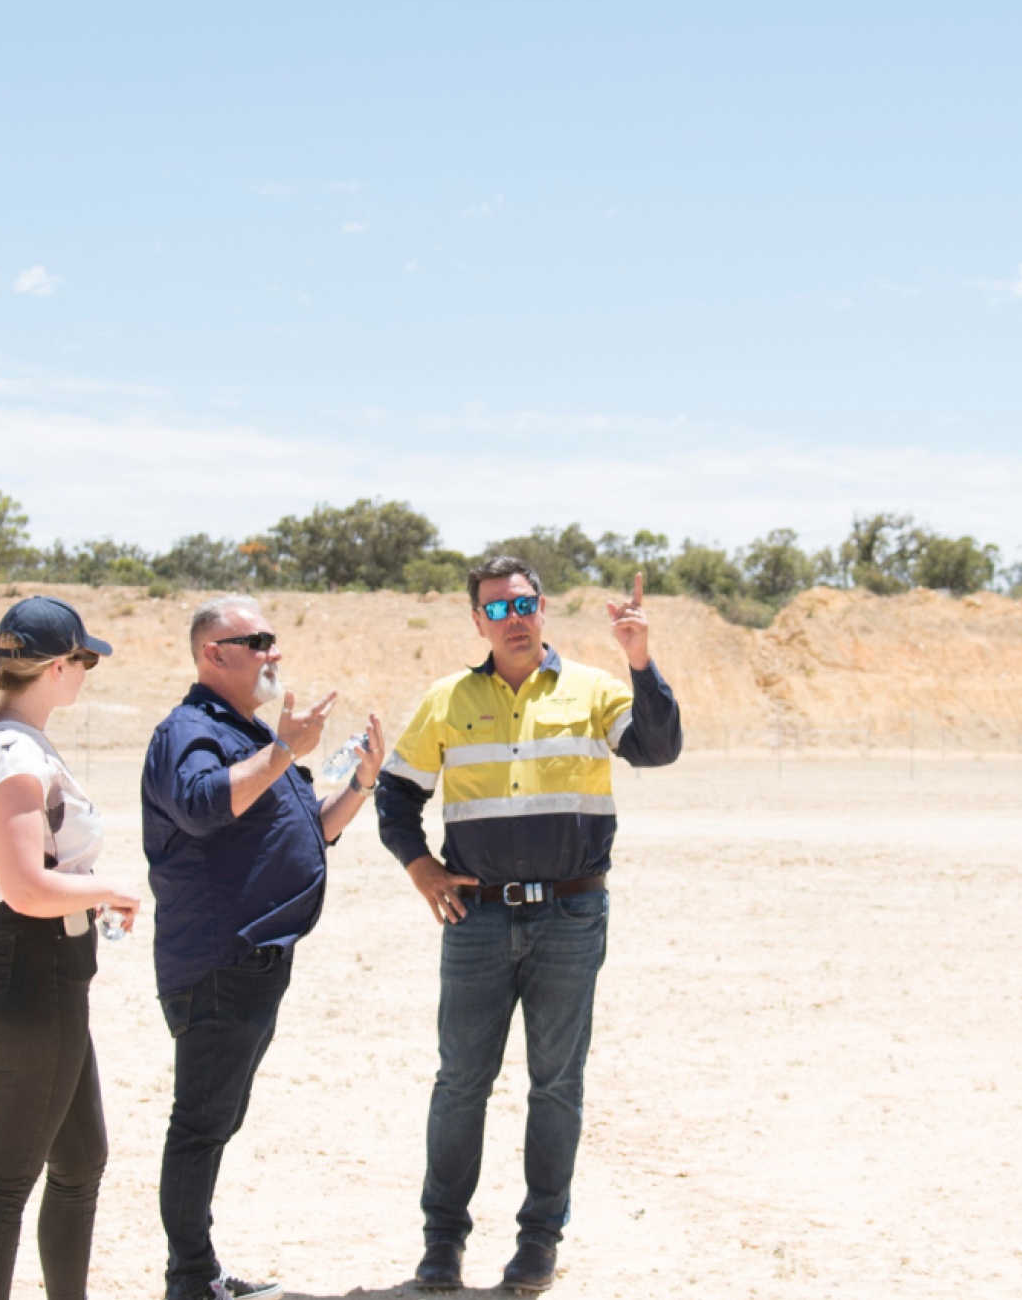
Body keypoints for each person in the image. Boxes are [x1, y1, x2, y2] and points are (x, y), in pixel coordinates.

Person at [376, 556, 684, 1295]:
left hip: (572, 916)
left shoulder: (594, 691)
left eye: (524, 605)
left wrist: (641, 663)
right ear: (477, 620)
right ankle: (441, 1246)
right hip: (476, 920)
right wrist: (420, 867)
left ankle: (538, 1243)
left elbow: (658, 747)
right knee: (460, 1084)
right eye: (497, 609)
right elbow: (394, 795)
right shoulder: (448, 699)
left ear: (542, 609)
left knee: (556, 1086)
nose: (513, 619)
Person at [141, 594, 387, 1300]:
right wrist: (285, 749)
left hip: (252, 965)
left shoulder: (245, 734)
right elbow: (200, 803)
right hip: (219, 962)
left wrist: (361, 782)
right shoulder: (189, 730)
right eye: (259, 640)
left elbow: (313, 829)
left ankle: (201, 1270)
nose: (275, 651)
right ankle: (189, 1280)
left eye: (274, 640)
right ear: (213, 654)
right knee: (200, 1124)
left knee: (216, 1121)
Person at [0, 595, 145, 1300]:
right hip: (27, 967)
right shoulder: (13, 750)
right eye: (84, 659)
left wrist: (94, 893)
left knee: (80, 1160)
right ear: (59, 666)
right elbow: (27, 889)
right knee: (4, 1182)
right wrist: (110, 886)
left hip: (43, 971)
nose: (87, 671)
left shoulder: (15, 742)